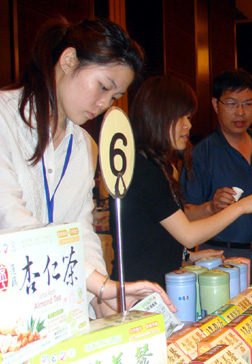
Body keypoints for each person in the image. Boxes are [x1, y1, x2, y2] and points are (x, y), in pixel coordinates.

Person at [0, 17, 176, 317]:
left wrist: (100, 297)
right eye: (103, 87)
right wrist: (99, 285)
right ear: (68, 60)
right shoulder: (5, 118)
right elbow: (11, 220)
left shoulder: (83, 144)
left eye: (114, 96)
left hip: (56, 310)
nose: (104, 104)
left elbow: (81, 228)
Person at [110, 76, 252, 287]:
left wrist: (188, 256)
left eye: (188, 117)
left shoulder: (157, 165)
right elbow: (188, 235)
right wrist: (241, 206)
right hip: (140, 289)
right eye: (181, 117)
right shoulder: (143, 169)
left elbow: (155, 232)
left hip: (155, 283)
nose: (188, 125)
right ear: (157, 115)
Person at [180, 69, 252, 282]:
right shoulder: (200, 155)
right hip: (223, 260)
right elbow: (184, 216)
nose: (240, 112)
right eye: (231, 103)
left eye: (247, 104)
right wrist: (211, 206)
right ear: (215, 104)